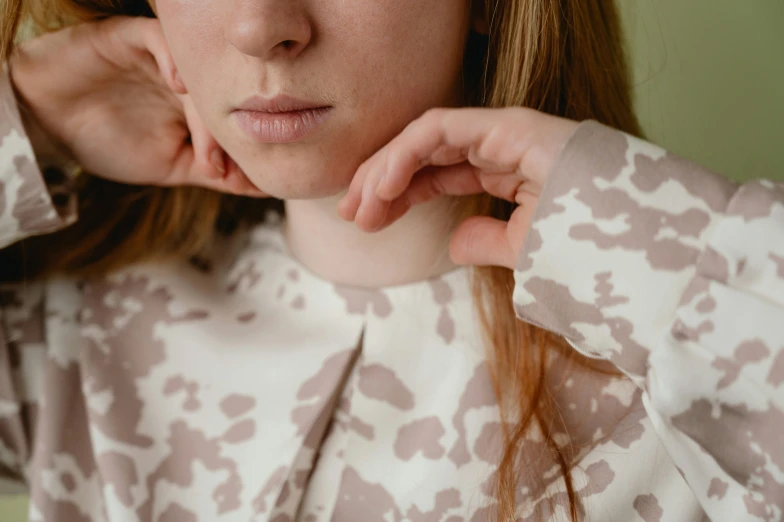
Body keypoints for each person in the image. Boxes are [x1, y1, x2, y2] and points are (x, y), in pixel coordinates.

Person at [0, 1, 781, 521]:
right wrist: (26, 121)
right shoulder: (69, 328)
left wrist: (659, 247)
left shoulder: (685, 369)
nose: (260, 26)